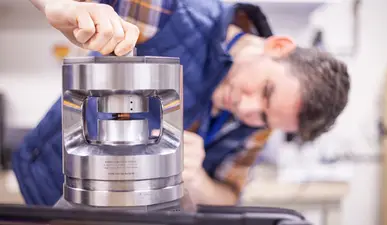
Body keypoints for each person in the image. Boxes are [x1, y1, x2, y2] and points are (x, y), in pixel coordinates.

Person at [12, 0, 350, 206]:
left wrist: (198, 179)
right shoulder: (175, 12)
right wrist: (61, 6)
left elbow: (231, 194)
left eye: (265, 118)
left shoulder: (255, 123)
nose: (248, 111)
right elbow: (69, 8)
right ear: (277, 47)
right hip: (48, 185)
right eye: (265, 91)